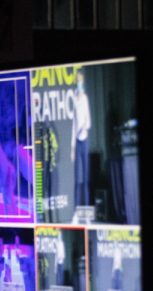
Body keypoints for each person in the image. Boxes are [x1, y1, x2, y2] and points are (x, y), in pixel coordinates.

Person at [71, 70, 92, 214]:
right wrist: (72, 148)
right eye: (77, 80)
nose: (79, 83)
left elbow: (88, 121)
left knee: (85, 178)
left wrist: (83, 127)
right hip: (77, 143)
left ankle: (87, 210)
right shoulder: (74, 99)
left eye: (81, 80)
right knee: (76, 178)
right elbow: (73, 124)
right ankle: (76, 211)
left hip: (84, 140)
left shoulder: (85, 98)